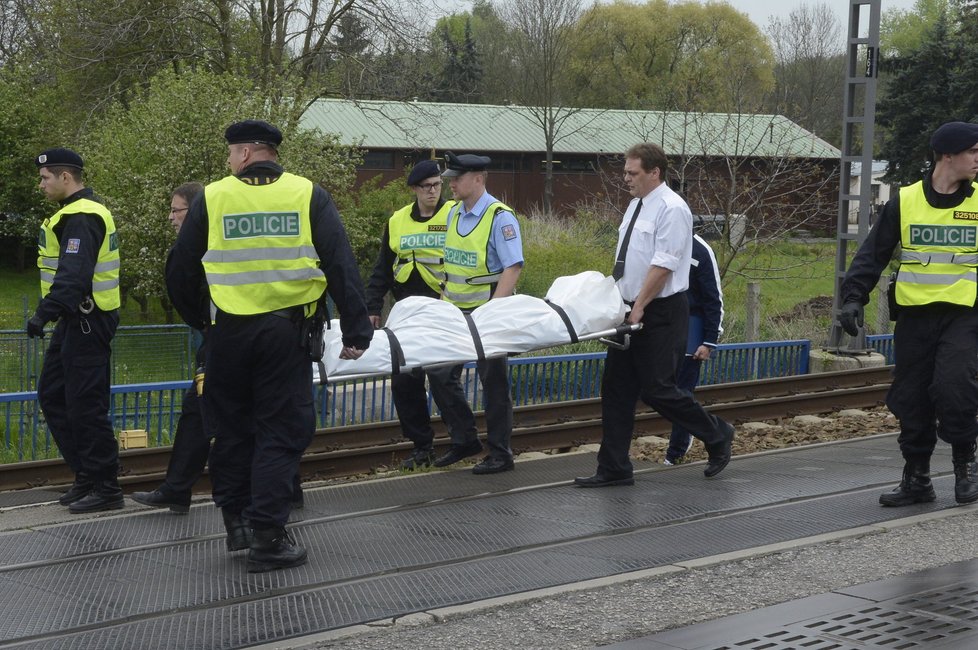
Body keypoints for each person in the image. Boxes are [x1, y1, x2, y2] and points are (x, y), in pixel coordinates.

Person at [166, 120, 372, 571]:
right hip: (286, 335)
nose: (228, 162)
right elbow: (340, 262)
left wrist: (203, 320)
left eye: (229, 154)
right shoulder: (306, 194)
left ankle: (236, 523)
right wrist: (357, 328)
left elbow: (179, 270)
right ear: (270, 152)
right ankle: (267, 537)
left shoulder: (213, 198)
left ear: (244, 154)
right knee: (279, 432)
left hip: (228, 334)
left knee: (232, 430)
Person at [575, 142, 735, 488]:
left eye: (632, 173)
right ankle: (614, 467)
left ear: (654, 172)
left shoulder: (673, 208)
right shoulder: (636, 206)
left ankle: (717, 433)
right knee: (616, 389)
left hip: (659, 310)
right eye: (625, 172)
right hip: (630, 306)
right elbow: (630, 261)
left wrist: (641, 305)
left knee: (658, 389)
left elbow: (664, 263)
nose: (626, 178)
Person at [839, 121, 978, 507]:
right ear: (948, 155)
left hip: (965, 315)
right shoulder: (906, 201)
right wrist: (854, 297)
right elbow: (873, 254)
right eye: (973, 151)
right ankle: (917, 479)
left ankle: (966, 466)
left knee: (955, 389)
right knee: (911, 397)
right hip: (916, 317)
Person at [365, 160, 482, 470]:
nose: (433, 191)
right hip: (405, 311)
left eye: (437, 185)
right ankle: (421, 446)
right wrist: (373, 307)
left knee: (442, 375)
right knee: (404, 379)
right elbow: (382, 268)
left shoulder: (455, 214)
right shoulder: (397, 220)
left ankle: (465, 438)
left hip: (443, 307)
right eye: (427, 186)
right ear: (414, 189)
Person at [27, 147, 123, 513]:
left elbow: (73, 275)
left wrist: (42, 315)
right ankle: (87, 474)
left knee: (86, 404)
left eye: (45, 177)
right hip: (76, 320)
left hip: (86, 319)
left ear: (65, 177)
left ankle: (106, 486)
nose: (41, 185)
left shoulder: (83, 217)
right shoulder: (73, 214)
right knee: (53, 394)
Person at [432, 151, 523, 475]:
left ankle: (501, 454)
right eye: (450, 178)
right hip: (455, 312)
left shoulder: (500, 217)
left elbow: (512, 268)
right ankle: (465, 439)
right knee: (440, 374)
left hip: (487, 312)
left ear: (478, 179)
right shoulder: (454, 213)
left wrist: (493, 312)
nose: (451, 184)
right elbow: (451, 266)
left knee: (493, 383)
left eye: (456, 178)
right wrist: (443, 305)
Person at [664, 233, 724, 465]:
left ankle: (676, 451)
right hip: (662, 326)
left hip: (691, 329)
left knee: (682, 392)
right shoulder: (659, 241)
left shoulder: (701, 250)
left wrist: (709, 340)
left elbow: (713, 297)